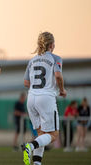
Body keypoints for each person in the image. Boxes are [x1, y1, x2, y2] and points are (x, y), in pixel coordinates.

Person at [22, 32, 67, 165]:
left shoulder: (32, 60)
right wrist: (62, 90)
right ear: (52, 45)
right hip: (46, 98)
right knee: (53, 135)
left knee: (42, 134)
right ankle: (30, 146)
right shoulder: (55, 58)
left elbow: (26, 82)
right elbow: (58, 76)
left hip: (31, 98)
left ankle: (36, 163)